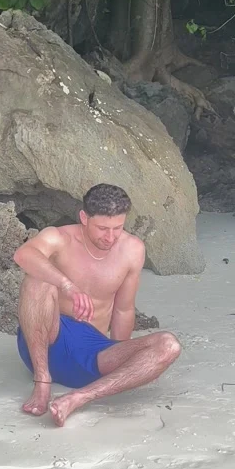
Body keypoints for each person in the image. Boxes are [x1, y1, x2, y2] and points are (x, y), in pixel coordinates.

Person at [13, 183, 181, 427]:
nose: (110, 237)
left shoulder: (132, 249)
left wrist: (123, 358)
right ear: (84, 218)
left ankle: (79, 398)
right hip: (45, 344)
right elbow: (23, 255)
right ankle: (42, 382)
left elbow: (123, 309)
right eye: (102, 228)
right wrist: (67, 285)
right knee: (37, 280)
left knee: (169, 345)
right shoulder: (59, 237)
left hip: (92, 353)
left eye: (117, 228)